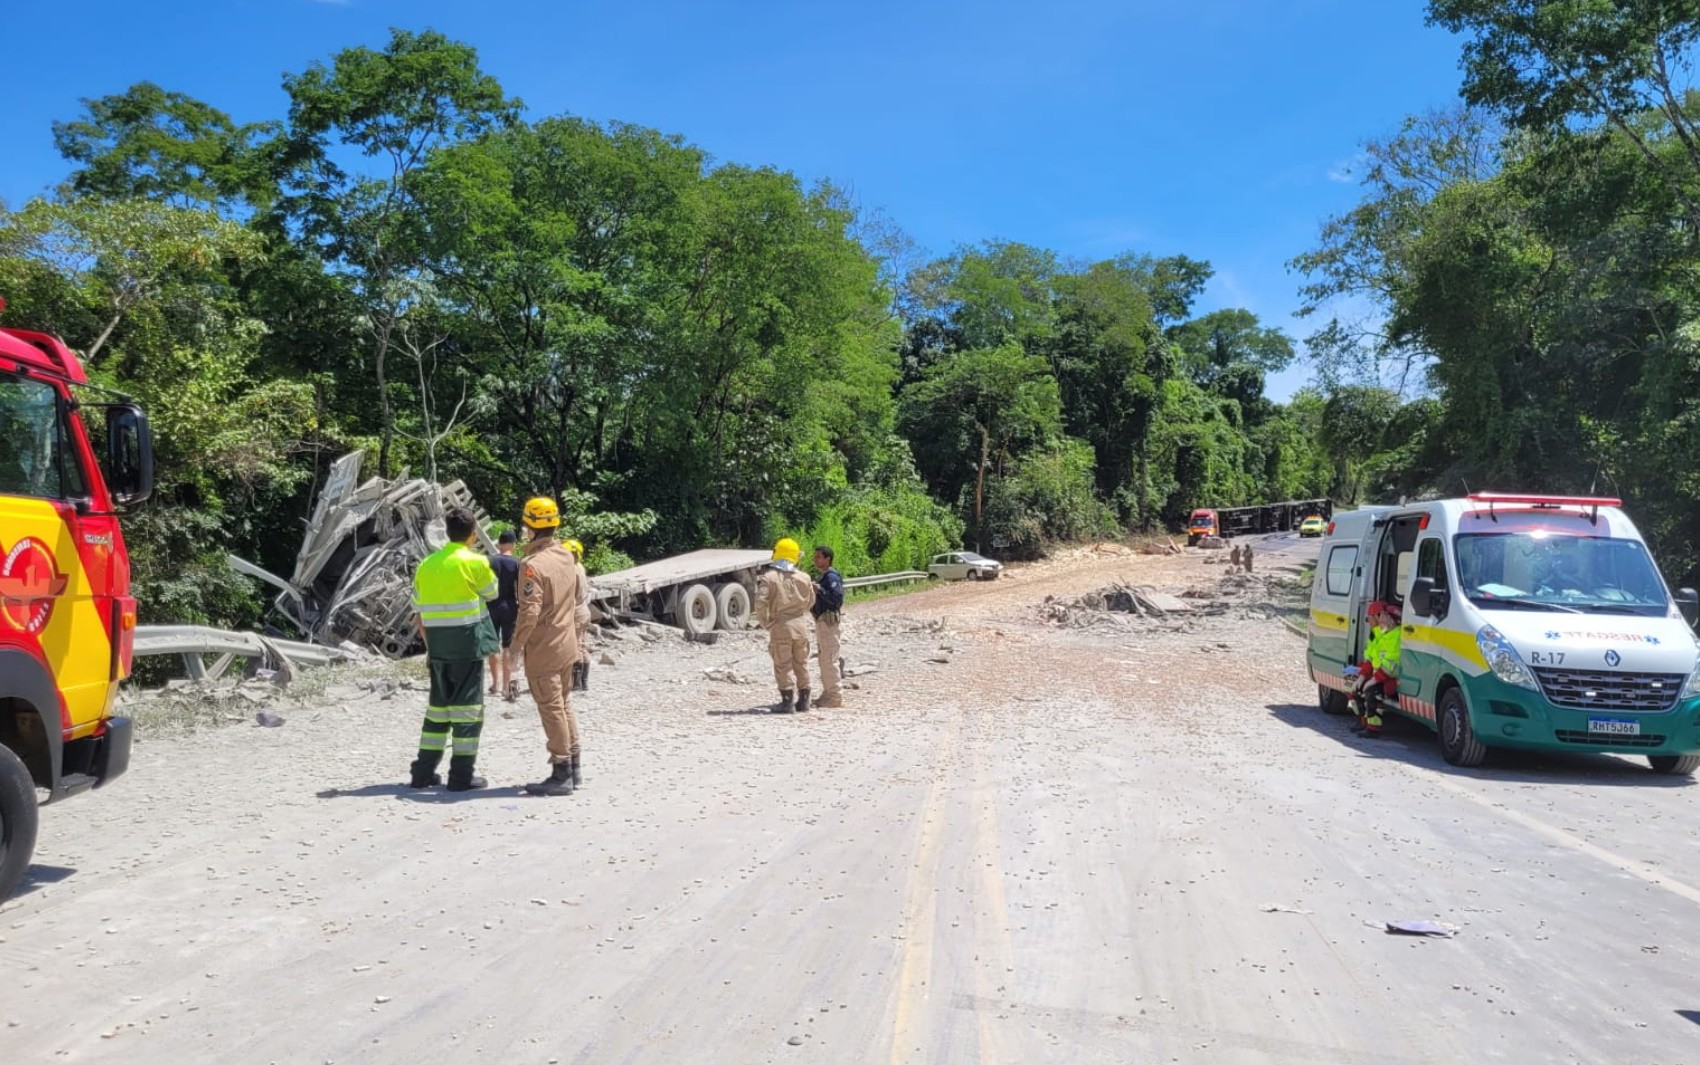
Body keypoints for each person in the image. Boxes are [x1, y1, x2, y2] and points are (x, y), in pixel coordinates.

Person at [408, 507, 501, 792]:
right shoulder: (475, 562)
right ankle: (461, 776)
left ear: (447, 533)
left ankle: (422, 773)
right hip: (467, 646)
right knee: (468, 710)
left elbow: (418, 608)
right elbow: (492, 593)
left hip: (437, 647)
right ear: (473, 535)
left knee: (437, 710)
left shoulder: (426, 565)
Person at [508, 497, 592, 796]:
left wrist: (515, 649)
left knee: (551, 706)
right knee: (564, 703)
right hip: (567, 643)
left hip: (544, 647)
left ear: (530, 528)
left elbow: (529, 613)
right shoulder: (566, 556)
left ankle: (561, 772)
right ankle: (574, 766)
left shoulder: (531, 566)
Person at [755, 537, 816, 713]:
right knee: (801, 663)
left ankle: (787, 702)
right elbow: (811, 601)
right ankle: (804, 701)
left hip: (781, 625)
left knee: (783, 665)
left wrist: (765, 622)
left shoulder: (769, 577)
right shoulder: (804, 577)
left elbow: (760, 602)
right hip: (800, 625)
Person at [1352, 601, 1402, 739]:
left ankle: (1373, 728)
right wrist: (1362, 676)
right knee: (1351, 683)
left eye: (1371, 617)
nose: (1370, 621)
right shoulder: (1375, 633)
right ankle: (1362, 720)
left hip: (1389, 678)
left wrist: (1372, 680)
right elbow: (1369, 656)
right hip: (1377, 675)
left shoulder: (1397, 636)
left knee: (1371, 692)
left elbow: (1391, 666)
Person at [486, 529, 521, 701]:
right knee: (508, 646)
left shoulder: (490, 561)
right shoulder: (517, 563)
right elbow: (520, 588)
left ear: (499, 544)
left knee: (493, 645)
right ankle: (506, 686)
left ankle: (495, 684)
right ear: (513, 544)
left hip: (492, 605)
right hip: (510, 606)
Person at [811, 545, 845, 708]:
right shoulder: (823, 577)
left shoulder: (831, 577)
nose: (815, 559)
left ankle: (835, 696)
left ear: (827, 559)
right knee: (824, 659)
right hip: (822, 621)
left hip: (829, 622)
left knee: (830, 659)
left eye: (819, 557)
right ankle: (828, 693)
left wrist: (820, 590)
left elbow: (837, 599)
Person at [565, 537, 593, 692]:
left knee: (575, 646)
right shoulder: (580, 568)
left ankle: (577, 683)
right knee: (581, 645)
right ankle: (583, 682)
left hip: (576, 612)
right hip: (583, 610)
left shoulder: (572, 570)